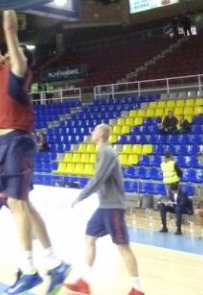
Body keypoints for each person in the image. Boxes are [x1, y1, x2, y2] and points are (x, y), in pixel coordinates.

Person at [0, 7, 70, 295]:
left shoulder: (19, 70)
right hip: (4, 144)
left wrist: (8, 0)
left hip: (17, 141)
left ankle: (29, 269)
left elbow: (8, 31)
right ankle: (55, 264)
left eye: (15, 50)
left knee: (17, 204)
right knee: (23, 205)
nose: (9, 51)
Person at [65, 124, 145, 295]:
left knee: (123, 246)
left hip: (113, 207)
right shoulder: (103, 152)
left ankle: (137, 288)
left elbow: (97, 179)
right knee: (89, 238)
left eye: (94, 130)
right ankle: (84, 282)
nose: (91, 132)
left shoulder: (107, 152)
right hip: (104, 207)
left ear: (101, 134)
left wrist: (80, 197)